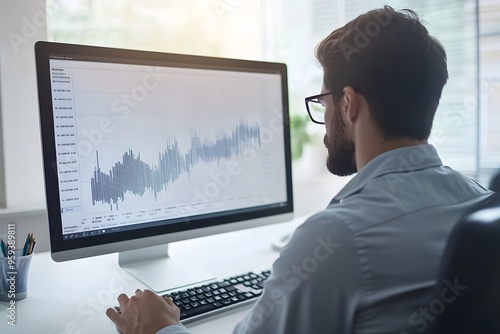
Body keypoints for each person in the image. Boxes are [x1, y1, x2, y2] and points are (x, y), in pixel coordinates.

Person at [106, 6, 494, 334]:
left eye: (323, 102)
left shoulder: (336, 239)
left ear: (348, 104)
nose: (323, 119)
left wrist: (162, 327)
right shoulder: (481, 203)